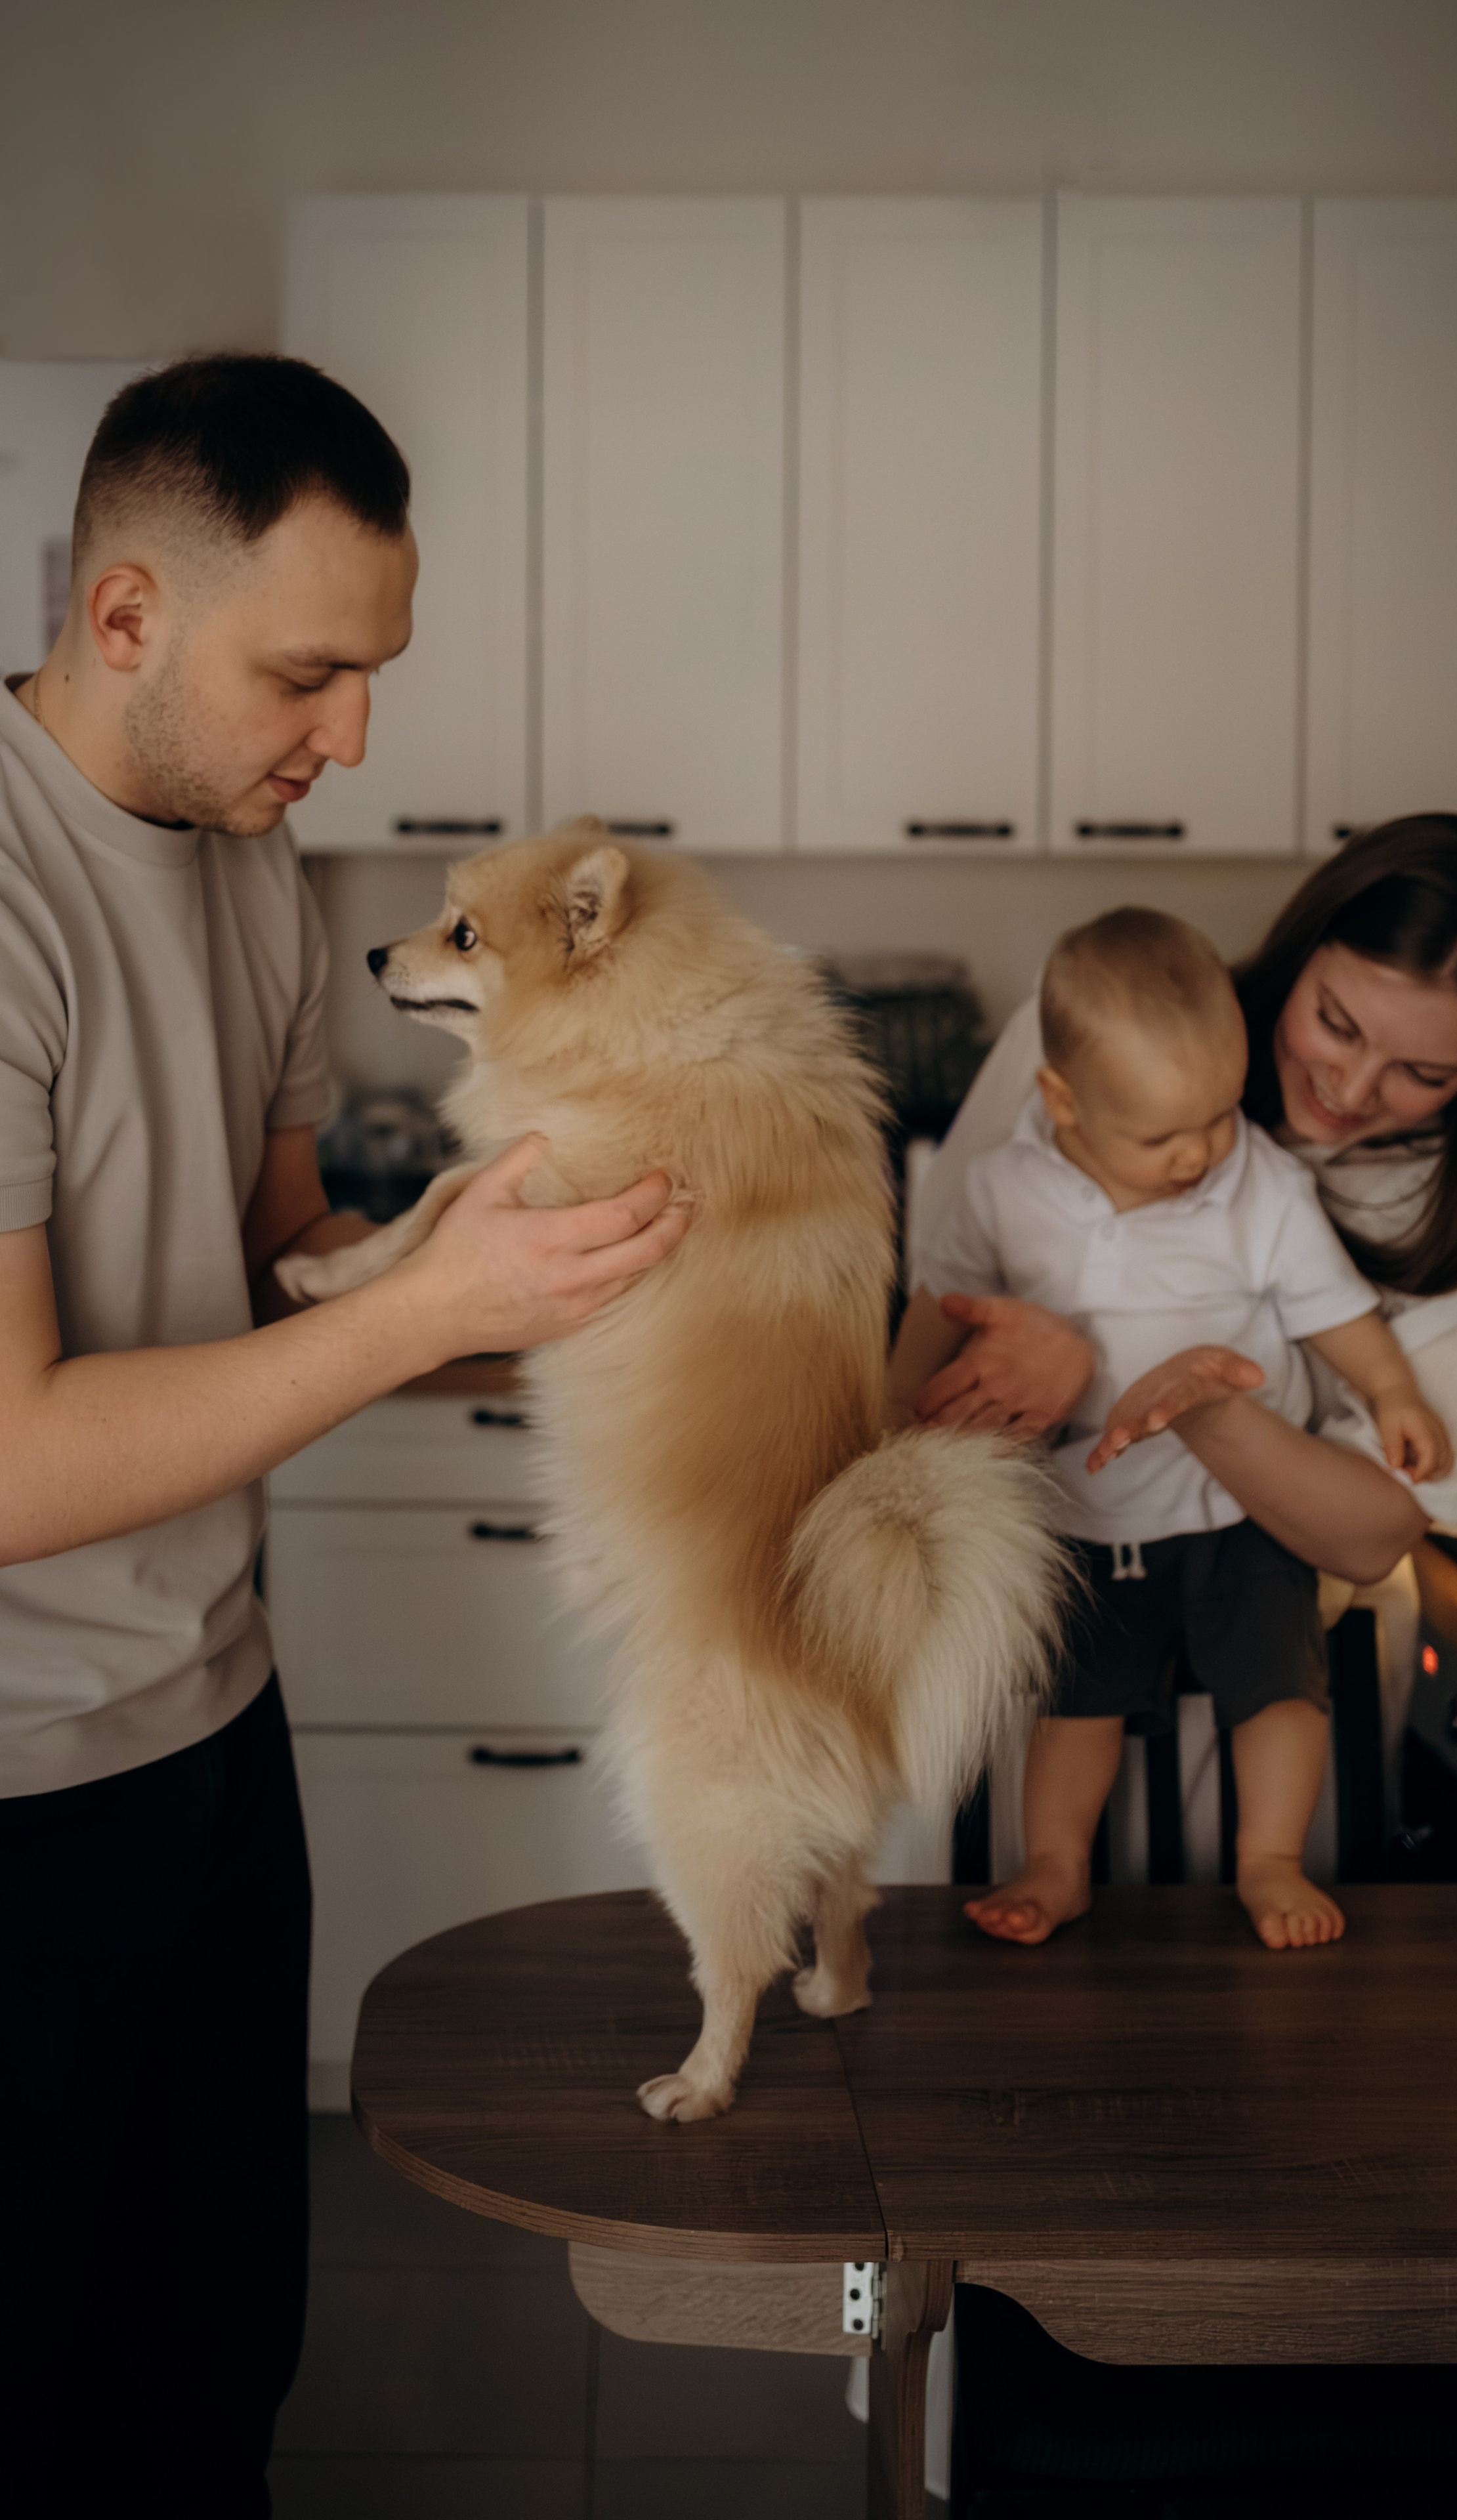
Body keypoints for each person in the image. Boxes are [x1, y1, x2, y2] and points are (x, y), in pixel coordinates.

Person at [0, 354, 688, 2518]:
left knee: (214, 2367)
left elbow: (278, 1251)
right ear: (126, 617)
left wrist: (520, 1269)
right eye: (310, 672)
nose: (355, 735)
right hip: (18, 1789)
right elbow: (9, 1467)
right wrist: (425, 1311)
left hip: (209, 1729)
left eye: (373, 672)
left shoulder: (251, 863)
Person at [906, 817, 1457, 1939]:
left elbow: (1372, 1530)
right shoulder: (1097, 1030)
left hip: (1288, 1646)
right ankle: (1051, 1868)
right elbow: (945, 1308)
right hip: (1058, 1591)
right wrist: (1033, 1369)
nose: (1350, 1087)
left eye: (1423, 1073)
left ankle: (1262, 1861)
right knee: (1018, 1986)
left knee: (1270, 2032)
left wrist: (1174, 1394)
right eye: (1333, 1022)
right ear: (1305, 946)